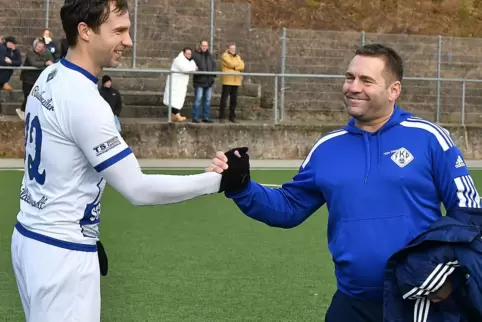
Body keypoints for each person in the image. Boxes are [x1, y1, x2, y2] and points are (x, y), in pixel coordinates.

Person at [207, 44, 481, 322]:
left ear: (393, 90)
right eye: (349, 77)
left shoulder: (429, 137)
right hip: (352, 301)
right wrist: (241, 185)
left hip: (418, 301)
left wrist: (447, 275)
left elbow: (469, 211)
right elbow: (289, 207)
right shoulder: (327, 147)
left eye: (366, 80)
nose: (353, 87)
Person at [10, 1, 228, 321]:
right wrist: (217, 180)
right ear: (85, 31)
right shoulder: (86, 101)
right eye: (119, 31)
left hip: (30, 237)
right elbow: (138, 189)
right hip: (62, 253)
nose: (128, 40)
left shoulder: (49, 75)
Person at [17, 37, 54, 120]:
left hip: (37, 79)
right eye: (37, 46)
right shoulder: (30, 52)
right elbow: (34, 62)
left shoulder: (47, 53)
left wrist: (49, 62)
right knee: (27, 95)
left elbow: (51, 60)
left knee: (34, 97)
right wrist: (45, 63)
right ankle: (22, 110)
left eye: (40, 47)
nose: (38, 48)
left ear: (43, 47)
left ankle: (26, 111)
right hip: (27, 78)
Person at [163, 47, 197, 122]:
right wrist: (193, 68)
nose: (189, 55)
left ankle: (173, 116)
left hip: (181, 83)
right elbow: (185, 69)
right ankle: (177, 114)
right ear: (183, 53)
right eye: (187, 53)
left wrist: (193, 67)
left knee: (178, 99)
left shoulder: (189, 61)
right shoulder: (179, 60)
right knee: (174, 99)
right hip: (175, 83)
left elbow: (193, 67)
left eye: (190, 54)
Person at [219, 43, 245, 123]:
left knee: (234, 100)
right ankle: (222, 117)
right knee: (224, 99)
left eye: (234, 48)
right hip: (227, 80)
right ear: (228, 49)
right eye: (231, 48)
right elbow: (230, 64)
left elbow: (242, 66)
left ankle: (232, 117)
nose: (233, 50)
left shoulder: (238, 56)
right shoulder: (225, 56)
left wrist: (235, 67)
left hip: (236, 81)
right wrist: (237, 66)